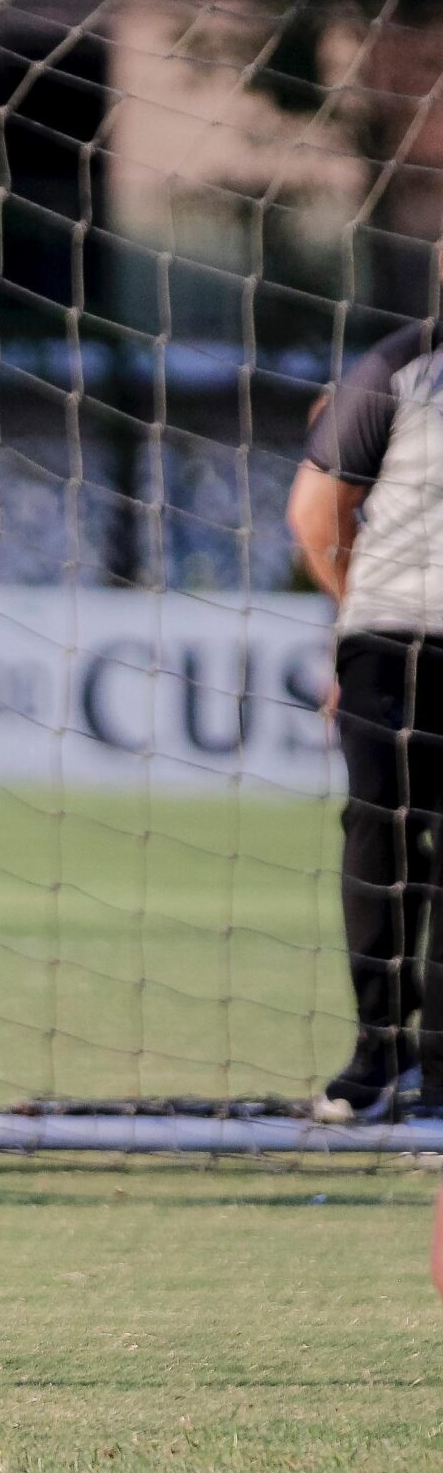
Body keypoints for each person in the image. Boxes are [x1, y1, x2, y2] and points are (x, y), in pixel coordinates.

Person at [289, 313, 443, 1122]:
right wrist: (358, 614)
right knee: (380, 829)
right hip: (392, 638)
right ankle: (379, 1049)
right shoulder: (398, 368)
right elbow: (316, 512)